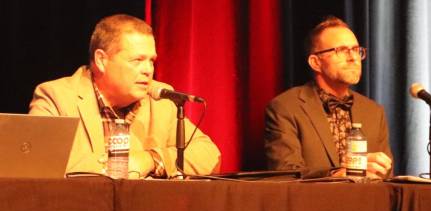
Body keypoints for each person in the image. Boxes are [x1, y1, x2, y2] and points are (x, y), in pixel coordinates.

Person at [29, 14, 221, 178]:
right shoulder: (57, 97)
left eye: (151, 61)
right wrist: (118, 165)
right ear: (101, 60)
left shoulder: (161, 101)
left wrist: (150, 159)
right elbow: (36, 162)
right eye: (137, 60)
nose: (148, 70)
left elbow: (209, 155)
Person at [264, 16, 392, 179]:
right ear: (315, 62)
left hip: (367, 202)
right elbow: (285, 173)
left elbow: (386, 177)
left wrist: (382, 169)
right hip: (312, 203)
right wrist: (336, 174)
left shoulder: (374, 111)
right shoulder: (286, 107)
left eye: (356, 50)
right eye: (342, 50)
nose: (353, 58)